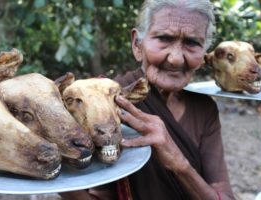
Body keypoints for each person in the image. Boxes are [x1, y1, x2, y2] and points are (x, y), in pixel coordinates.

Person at [60, 0, 235, 199]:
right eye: (164, 38)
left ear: (204, 53)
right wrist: (59, 174)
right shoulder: (100, 104)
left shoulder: (204, 109)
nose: (176, 58)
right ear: (137, 44)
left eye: (192, 42)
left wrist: (179, 164)